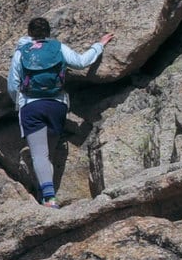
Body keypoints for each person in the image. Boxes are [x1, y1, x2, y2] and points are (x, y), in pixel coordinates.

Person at [7, 16, 114, 206]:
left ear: (29, 34)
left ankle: (49, 198)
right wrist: (99, 45)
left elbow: (13, 86)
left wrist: (20, 104)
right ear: (48, 33)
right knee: (49, 152)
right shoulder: (58, 48)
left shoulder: (21, 53)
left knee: (39, 154)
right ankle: (47, 195)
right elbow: (81, 62)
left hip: (31, 106)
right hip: (56, 105)